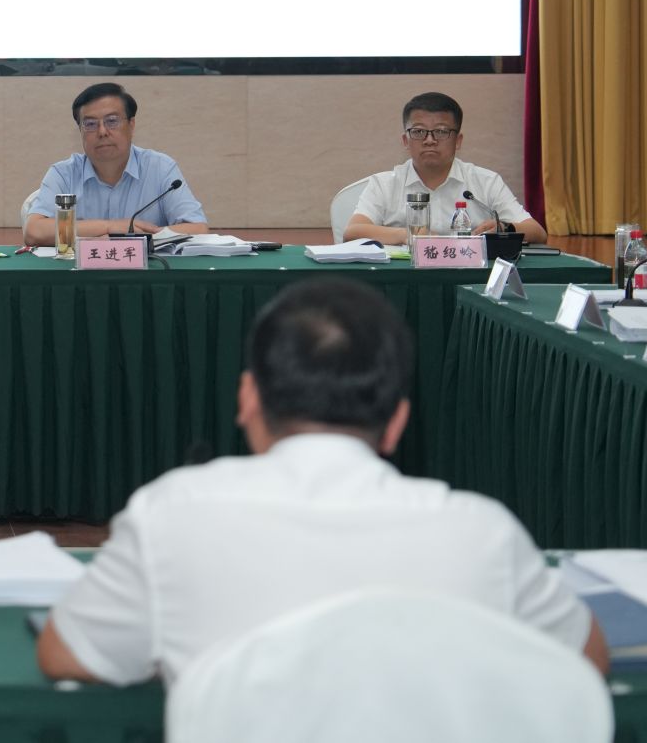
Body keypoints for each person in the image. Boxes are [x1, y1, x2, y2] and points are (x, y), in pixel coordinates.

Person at [36, 277, 607, 687]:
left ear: (248, 399)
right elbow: (586, 660)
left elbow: (67, 656)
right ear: (397, 422)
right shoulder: (482, 531)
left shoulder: (171, 512)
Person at [343, 92, 548, 245]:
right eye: (419, 132)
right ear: (405, 140)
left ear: (458, 140)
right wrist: (408, 235)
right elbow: (352, 232)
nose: (429, 140)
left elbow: (537, 232)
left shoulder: (485, 181)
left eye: (441, 132)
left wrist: (504, 228)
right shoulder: (384, 184)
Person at [24, 82, 208, 245]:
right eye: (90, 124)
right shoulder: (63, 173)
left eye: (112, 121)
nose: (102, 132)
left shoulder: (160, 168)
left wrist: (134, 240)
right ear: (80, 130)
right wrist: (111, 227)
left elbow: (198, 229)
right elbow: (34, 232)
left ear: (131, 125)